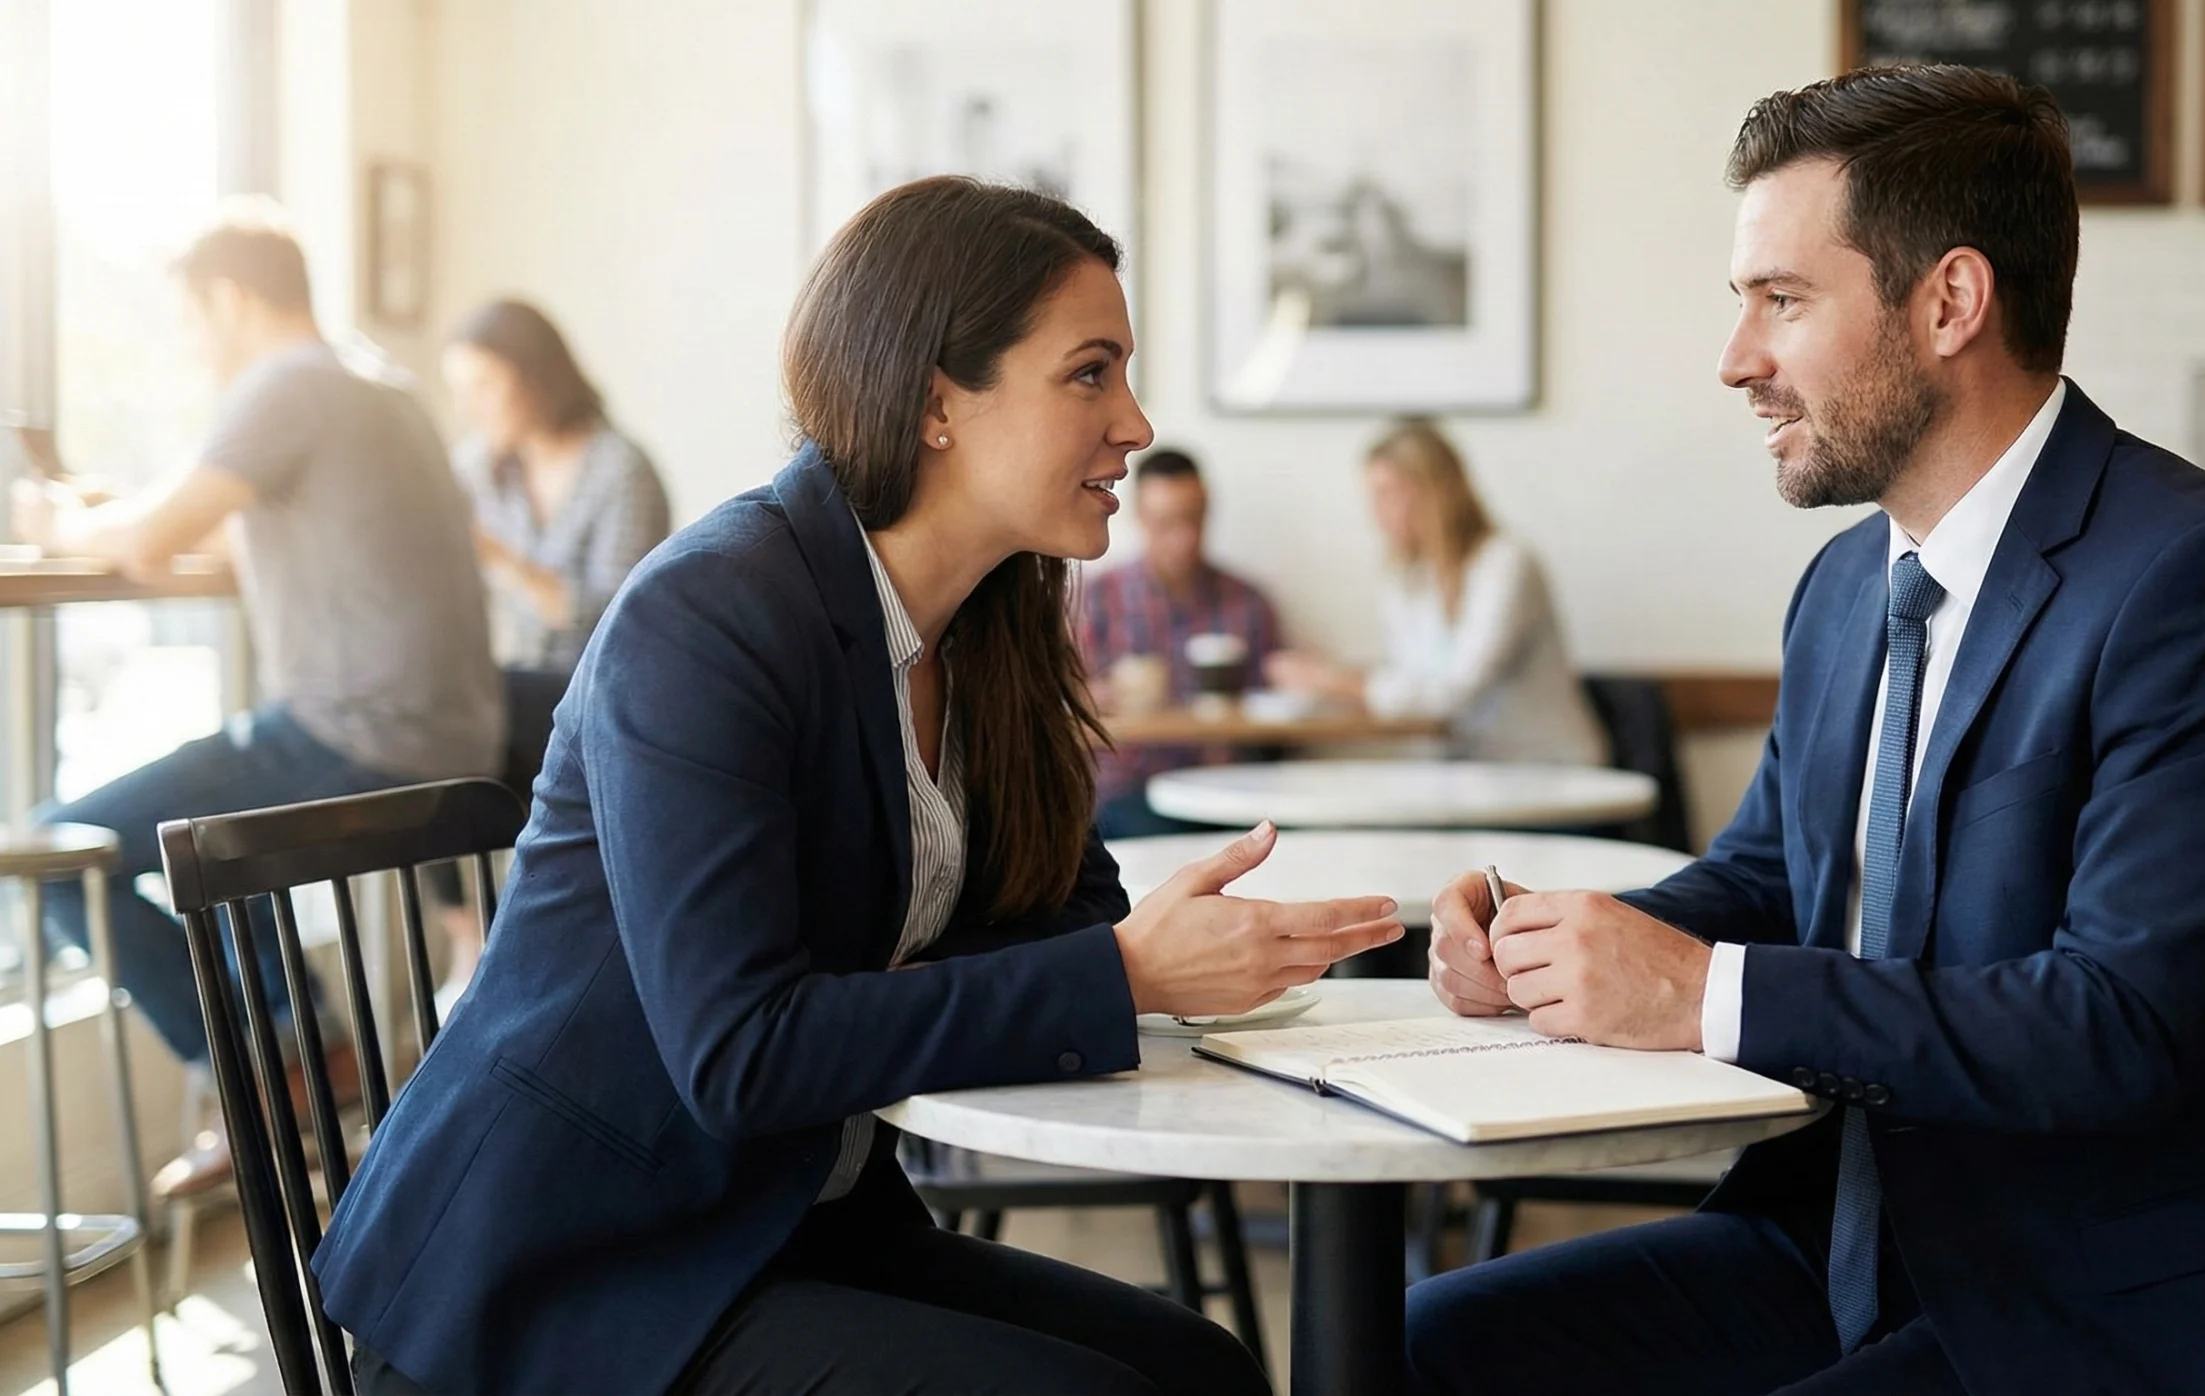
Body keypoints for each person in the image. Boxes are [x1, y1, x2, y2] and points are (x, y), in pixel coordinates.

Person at [312, 177, 1403, 1396]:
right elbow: (741, 1057)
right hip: (570, 1272)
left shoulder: (991, 626)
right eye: (1089, 373)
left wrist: (1125, 956)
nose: (1135, 422)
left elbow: (1069, 912)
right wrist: (1129, 973)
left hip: (775, 1224)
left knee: (1198, 1369)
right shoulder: (709, 618)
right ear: (939, 401)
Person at [1406, 66, 2205, 1396]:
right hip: (1859, 1240)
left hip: (2110, 1307)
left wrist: (1701, 997)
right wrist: (1553, 947)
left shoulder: (2199, 581)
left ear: (1949, 302)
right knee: (1421, 1346)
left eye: (1783, 300)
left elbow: (2118, 1026)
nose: (1736, 360)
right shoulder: (1845, 587)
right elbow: (1771, 883)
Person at [11, 202, 503, 1198]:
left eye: (192, 321)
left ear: (229, 300)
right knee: (218, 829)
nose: (194, 347)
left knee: (62, 844)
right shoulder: (382, 384)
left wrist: (60, 514)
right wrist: (130, 520)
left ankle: (260, 1078)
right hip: (454, 731)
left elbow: (150, 538)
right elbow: (229, 535)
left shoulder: (285, 384)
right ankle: (309, 1049)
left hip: (364, 728)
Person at [436, 298, 671, 1002]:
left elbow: (615, 618)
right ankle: (469, 940)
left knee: (466, 707)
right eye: (462, 392)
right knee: (431, 738)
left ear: (535, 376)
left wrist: (503, 559)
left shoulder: (620, 469)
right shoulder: (480, 468)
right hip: (519, 690)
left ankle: (493, 956)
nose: (473, 408)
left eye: (485, 386)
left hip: (604, 691)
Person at [1267, 419, 1605, 767]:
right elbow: (1414, 683)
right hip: (1468, 773)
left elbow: (1454, 692)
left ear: (1435, 492)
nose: (1376, 513)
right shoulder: (1408, 577)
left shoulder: (1506, 564)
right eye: (1372, 497)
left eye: (1388, 494)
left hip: (1545, 772)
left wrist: (1339, 682)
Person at [1077, 448, 1284, 839]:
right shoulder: (1097, 600)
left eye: (1194, 520)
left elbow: (1275, 724)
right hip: (1131, 790)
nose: (1183, 539)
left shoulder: (1249, 603)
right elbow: (1054, 704)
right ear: (1140, 519)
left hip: (1230, 791)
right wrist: (1094, 696)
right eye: (1166, 524)